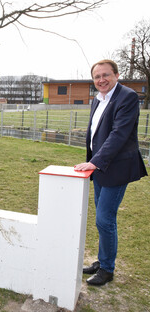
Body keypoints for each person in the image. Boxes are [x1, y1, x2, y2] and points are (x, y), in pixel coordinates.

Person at [75, 59, 147, 286]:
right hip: (100, 168)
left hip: (117, 168)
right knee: (102, 219)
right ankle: (102, 261)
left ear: (117, 75)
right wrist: (93, 162)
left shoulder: (126, 97)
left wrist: (95, 162)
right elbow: (96, 133)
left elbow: (119, 134)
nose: (101, 80)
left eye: (106, 75)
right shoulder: (98, 100)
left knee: (105, 219)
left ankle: (107, 269)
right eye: (97, 77)